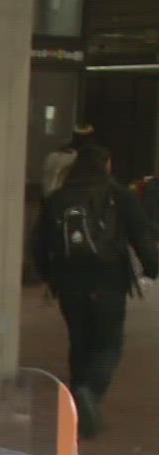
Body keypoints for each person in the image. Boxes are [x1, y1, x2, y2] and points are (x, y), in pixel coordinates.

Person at [32, 143, 157, 439]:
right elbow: (142, 236)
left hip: (70, 285)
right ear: (107, 165)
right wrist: (151, 270)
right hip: (108, 281)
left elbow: (38, 246)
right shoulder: (119, 196)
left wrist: (51, 279)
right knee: (109, 345)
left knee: (80, 343)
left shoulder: (58, 198)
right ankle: (90, 392)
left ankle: (78, 409)